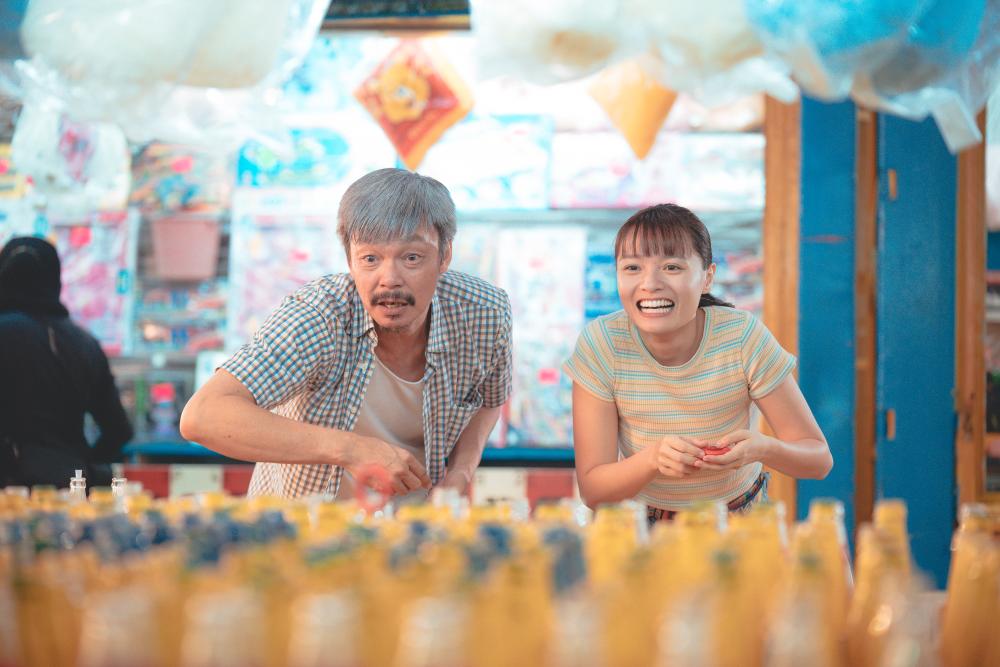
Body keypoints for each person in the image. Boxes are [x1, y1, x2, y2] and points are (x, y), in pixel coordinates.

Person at [180, 168, 512, 499]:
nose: (389, 279)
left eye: (412, 257)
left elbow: (489, 401)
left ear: (444, 256)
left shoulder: (483, 313)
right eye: (370, 258)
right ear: (349, 261)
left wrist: (460, 471)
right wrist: (351, 449)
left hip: (418, 534)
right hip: (302, 532)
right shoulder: (317, 316)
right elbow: (204, 415)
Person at [563, 204, 832, 523]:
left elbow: (818, 459)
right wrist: (653, 459)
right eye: (632, 268)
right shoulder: (602, 344)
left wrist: (762, 448)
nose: (650, 283)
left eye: (672, 267)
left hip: (740, 521)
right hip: (643, 527)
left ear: (707, 277)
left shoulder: (742, 337)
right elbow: (593, 492)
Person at [0, 236, 133, 488]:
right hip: (69, 488)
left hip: (8, 490)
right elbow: (119, 431)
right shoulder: (85, 343)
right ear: (55, 279)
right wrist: (82, 464)